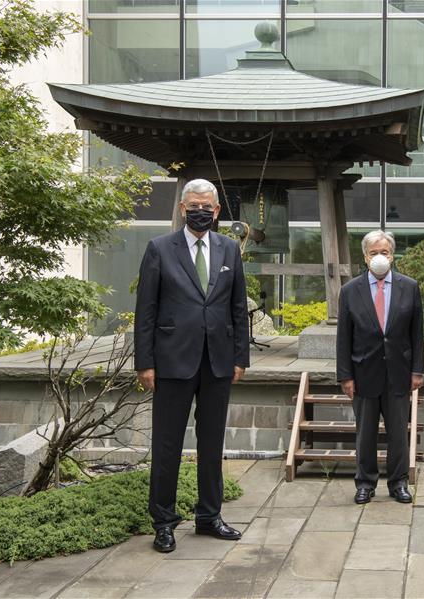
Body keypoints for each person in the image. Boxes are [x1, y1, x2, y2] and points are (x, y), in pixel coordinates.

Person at [134, 178, 250, 553]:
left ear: (216, 211)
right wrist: (145, 362)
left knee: (212, 444)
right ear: (184, 209)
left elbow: (237, 307)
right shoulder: (159, 249)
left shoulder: (230, 249)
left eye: (207, 205)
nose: (201, 210)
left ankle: (209, 516)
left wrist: (240, 356)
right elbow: (145, 311)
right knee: (167, 445)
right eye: (194, 204)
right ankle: (163, 522)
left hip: (217, 362)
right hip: (170, 361)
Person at [336, 230, 424, 504]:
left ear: (393, 255)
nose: (379, 257)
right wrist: (345, 376)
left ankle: (398, 483)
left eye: (384, 252)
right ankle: (365, 483)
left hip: (399, 372)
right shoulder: (350, 291)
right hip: (363, 373)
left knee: (398, 432)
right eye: (373, 253)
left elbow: (417, 333)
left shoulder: (409, 287)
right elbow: (343, 337)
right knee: (365, 434)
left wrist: (417, 370)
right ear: (365, 257)